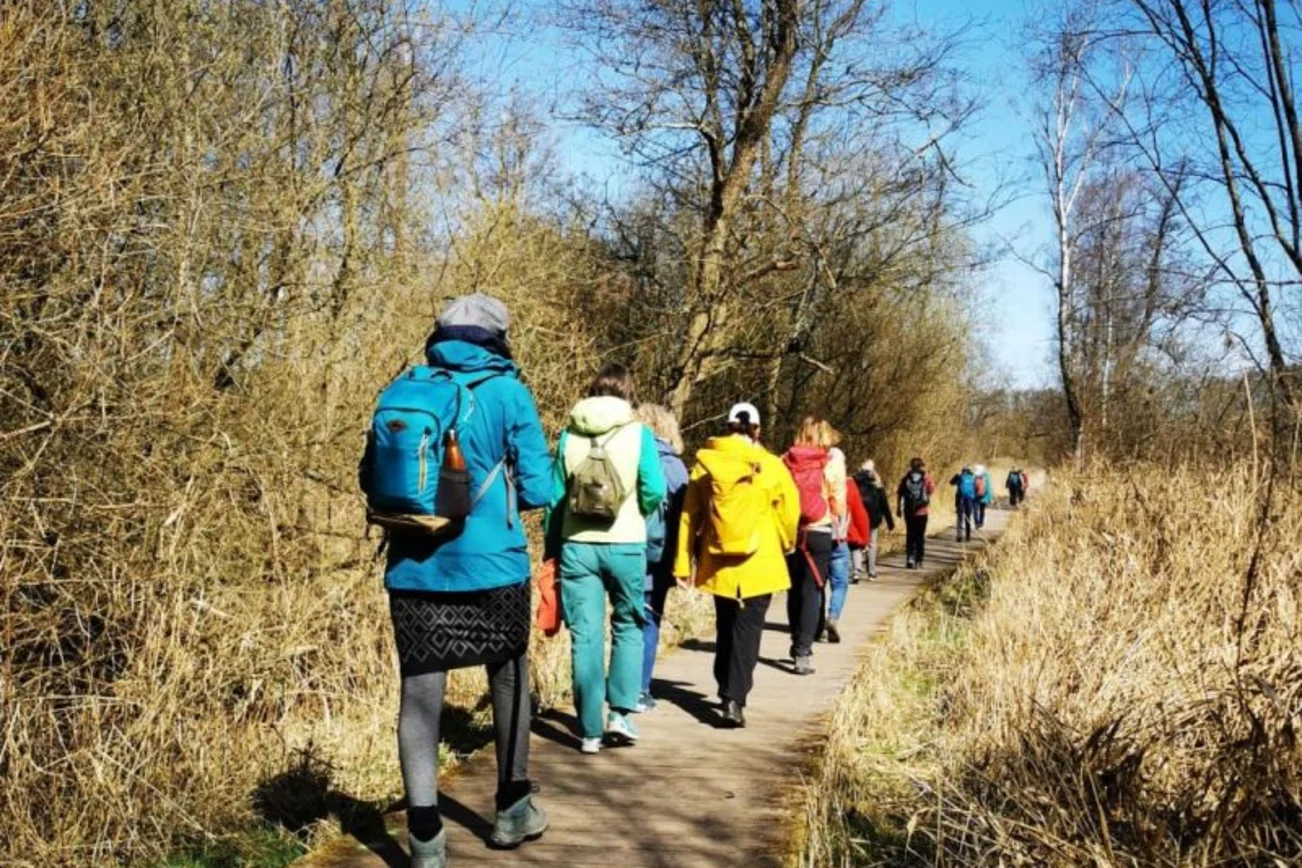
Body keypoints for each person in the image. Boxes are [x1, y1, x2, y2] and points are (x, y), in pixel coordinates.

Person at [360, 294, 553, 866]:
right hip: (495, 566)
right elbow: (541, 491)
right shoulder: (509, 393)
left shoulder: (405, 390)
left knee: (420, 697)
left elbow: (370, 476)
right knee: (509, 680)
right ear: (497, 339)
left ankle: (424, 840)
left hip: (415, 566)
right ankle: (511, 811)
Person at [547, 365, 665, 755]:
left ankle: (590, 731)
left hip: (577, 545)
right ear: (628, 395)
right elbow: (654, 488)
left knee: (585, 636)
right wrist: (635, 514)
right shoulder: (639, 433)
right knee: (629, 624)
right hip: (626, 543)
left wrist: (553, 543)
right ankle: (619, 714)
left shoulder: (569, 434)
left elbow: (555, 496)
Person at [674, 403, 799, 727]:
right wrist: (787, 542)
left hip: (718, 562)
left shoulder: (704, 465)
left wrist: (682, 563)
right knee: (749, 630)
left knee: (726, 625)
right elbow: (790, 512)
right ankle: (734, 698)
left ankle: (724, 685)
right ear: (757, 429)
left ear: (727, 426)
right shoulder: (772, 466)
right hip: (761, 561)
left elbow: (689, 516)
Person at [634, 403, 689, 713]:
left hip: (620, 549)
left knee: (624, 620)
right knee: (649, 619)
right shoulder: (674, 466)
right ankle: (640, 689)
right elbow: (684, 518)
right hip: (659, 554)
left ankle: (618, 684)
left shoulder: (623, 454)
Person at [782, 417, 836, 675]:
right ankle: (803, 651)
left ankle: (796, 640)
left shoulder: (785, 460)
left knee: (793, 590)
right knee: (812, 591)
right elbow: (839, 500)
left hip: (790, 533)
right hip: (818, 532)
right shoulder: (830, 462)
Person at [821, 438, 851, 643]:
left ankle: (815, 623)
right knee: (840, 584)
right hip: (839, 540)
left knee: (818, 584)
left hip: (819, 536)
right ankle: (833, 617)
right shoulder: (846, 485)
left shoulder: (816, 481)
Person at [853, 460, 895, 580]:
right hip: (873, 520)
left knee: (857, 544)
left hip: (857, 519)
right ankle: (871, 572)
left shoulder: (854, 482)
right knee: (872, 544)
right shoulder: (877, 483)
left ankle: (856, 571)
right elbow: (884, 504)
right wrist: (890, 522)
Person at [897, 458, 936, 569]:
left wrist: (898, 509)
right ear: (921, 466)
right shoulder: (926, 478)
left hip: (908, 512)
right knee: (920, 536)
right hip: (922, 512)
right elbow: (932, 490)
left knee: (910, 535)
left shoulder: (906, 478)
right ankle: (919, 560)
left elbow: (900, 493)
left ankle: (910, 558)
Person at [950, 466, 977, 542]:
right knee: (968, 517)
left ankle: (959, 536)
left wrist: (956, 476)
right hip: (969, 499)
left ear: (962, 471)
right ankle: (968, 537)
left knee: (960, 518)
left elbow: (951, 482)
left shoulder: (959, 476)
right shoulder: (972, 477)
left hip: (960, 499)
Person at [973, 464, 994, 529]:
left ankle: (976, 523)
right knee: (982, 510)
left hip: (976, 496)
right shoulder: (986, 476)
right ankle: (981, 523)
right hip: (984, 497)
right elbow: (989, 488)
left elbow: (972, 487)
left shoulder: (974, 476)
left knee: (975, 510)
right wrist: (990, 498)